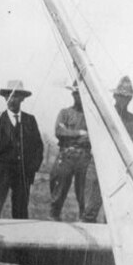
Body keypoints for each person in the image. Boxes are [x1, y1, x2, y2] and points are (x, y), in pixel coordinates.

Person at [81, 75, 133, 223]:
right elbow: (90, 136)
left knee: (114, 213)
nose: (124, 100)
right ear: (115, 96)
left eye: (127, 97)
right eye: (121, 96)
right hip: (99, 165)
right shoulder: (103, 113)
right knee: (90, 208)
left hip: (119, 169)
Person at [0, 80, 44, 219]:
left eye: (15, 96)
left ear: (22, 98)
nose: (11, 99)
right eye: (8, 95)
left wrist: (31, 169)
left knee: (21, 214)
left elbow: (38, 147)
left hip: (22, 175)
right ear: (4, 97)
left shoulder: (30, 120)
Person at [48, 81, 91, 221]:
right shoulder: (65, 113)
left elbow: (92, 137)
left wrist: (72, 134)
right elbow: (59, 131)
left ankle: (84, 219)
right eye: (76, 93)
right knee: (58, 189)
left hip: (84, 157)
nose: (79, 97)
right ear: (73, 94)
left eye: (81, 94)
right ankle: (54, 217)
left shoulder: (91, 116)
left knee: (84, 192)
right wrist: (79, 133)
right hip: (66, 155)